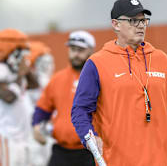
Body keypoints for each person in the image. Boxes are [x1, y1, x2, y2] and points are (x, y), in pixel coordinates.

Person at [71, 0, 167, 166]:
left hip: (161, 160)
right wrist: (89, 137)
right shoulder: (97, 63)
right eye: (133, 21)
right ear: (116, 24)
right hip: (116, 161)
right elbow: (80, 109)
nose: (141, 25)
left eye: (143, 20)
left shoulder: (162, 59)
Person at [32, 30, 96, 166]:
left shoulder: (99, 78)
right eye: (73, 49)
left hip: (91, 151)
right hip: (61, 151)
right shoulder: (57, 79)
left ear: (91, 50)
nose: (76, 54)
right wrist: (36, 125)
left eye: (81, 50)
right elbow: (43, 108)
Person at [0, 28, 31, 166]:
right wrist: (20, 74)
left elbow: (35, 85)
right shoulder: (2, 69)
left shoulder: (15, 69)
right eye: (20, 51)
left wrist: (24, 70)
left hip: (22, 137)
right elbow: (8, 97)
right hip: (7, 137)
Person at [25, 41, 55, 166]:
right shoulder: (29, 84)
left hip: (47, 131)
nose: (49, 66)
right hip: (31, 133)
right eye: (44, 62)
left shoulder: (48, 82)